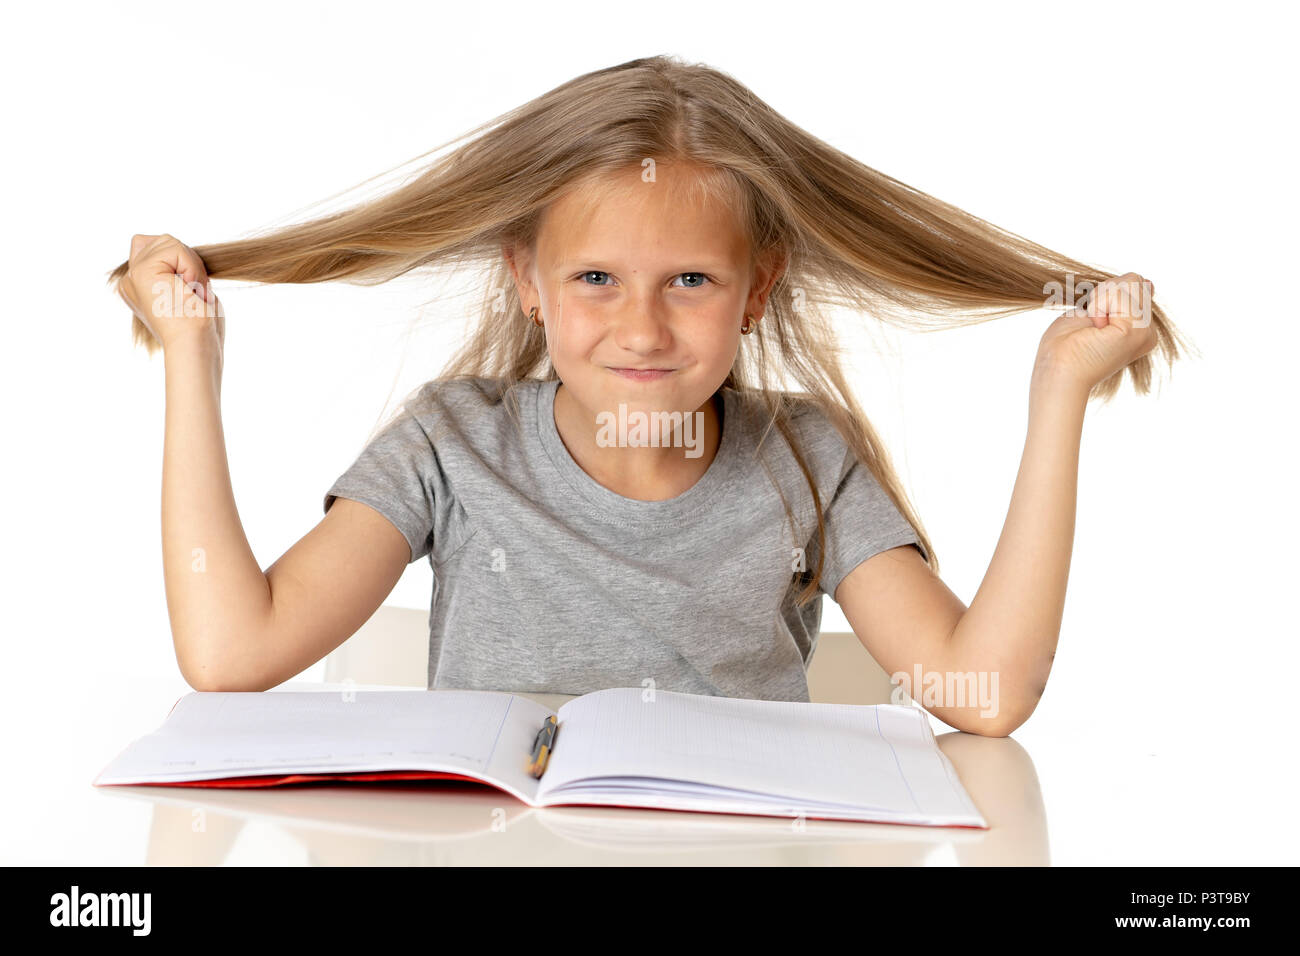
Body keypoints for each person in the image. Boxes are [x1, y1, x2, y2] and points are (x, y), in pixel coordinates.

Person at [108, 55, 1185, 736]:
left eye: (690, 281)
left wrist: (1058, 394)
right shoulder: (452, 442)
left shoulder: (808, 457)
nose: (640, 327)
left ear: (756, 288)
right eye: (594, 279)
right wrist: (192, 359)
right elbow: (229, 652)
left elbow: (981, 696)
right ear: (525, 279)